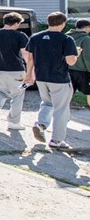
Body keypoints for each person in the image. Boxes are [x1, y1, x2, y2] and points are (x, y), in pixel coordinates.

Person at [23, 11, 78, 150]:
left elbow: (30, 58)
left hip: (41, 77)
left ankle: (41, 124)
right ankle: (57, 140)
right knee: (61, 110)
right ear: (63, 23)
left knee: (47, 103)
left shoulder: (35, 37)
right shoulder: (66, 39)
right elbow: (70, 62)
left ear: (48, 22)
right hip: (59, 79)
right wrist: (78, 54)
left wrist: (29, 75)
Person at [0, 12, 29, 130]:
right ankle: (14, 122)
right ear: (16, 23)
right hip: (17, 70)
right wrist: (30, 68)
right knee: (17, 95)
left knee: (0, 92)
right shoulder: (20, 36)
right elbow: (25, 53)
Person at [68, 18, 90, 98]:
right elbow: (88, 58)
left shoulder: (65, 37)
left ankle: (65, 110)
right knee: (88, 93)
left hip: (67, 70)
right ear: (87, 28)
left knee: (68, 94)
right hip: (83, 72)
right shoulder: (86, 39)